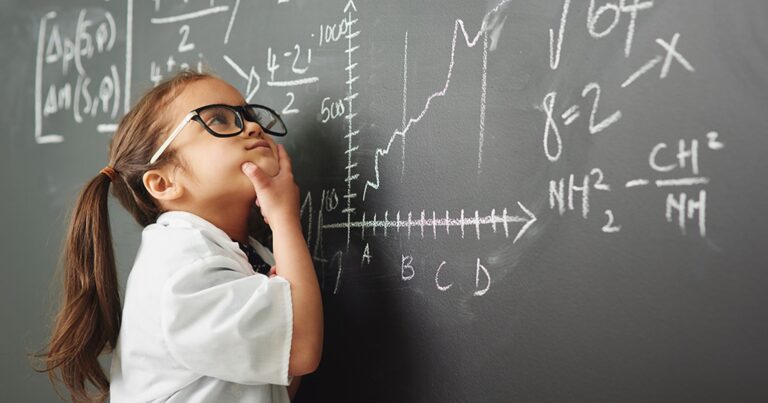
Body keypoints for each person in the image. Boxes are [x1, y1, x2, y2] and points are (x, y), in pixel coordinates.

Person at [30, 69, 323, 402]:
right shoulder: (183, 263)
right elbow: (300, 349)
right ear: (163, 183)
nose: (253, 126)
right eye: (219, 119)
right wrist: (284, 217)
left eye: (249, 116)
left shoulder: (244, 253)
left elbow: (279, 377)